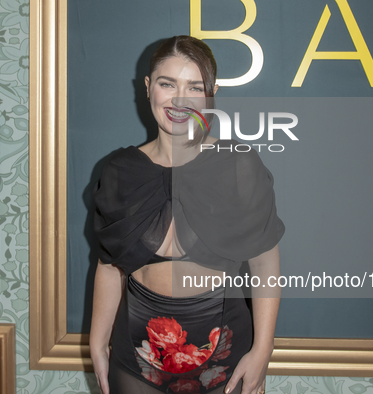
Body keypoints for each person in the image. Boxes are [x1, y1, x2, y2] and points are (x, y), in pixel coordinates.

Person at [90, 35, 284, 394]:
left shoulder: (239, 164)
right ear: (149, 88)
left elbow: (264, 265)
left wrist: (263, 349)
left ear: (210, 94)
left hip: (226, 358)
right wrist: (97, 343)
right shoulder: (118, 170)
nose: (180, 100)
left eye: (194, 87)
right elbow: (109, 265)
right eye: (168, 84)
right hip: (135, 359)